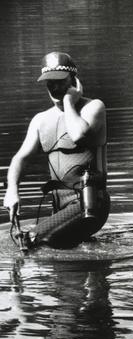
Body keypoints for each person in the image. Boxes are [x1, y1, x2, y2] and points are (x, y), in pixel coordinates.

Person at [3, 51, 110, 250]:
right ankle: (89, 270)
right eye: (49, 81)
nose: (53, 86)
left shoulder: (94, 108)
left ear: (74, 80)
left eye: (60, 81)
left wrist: (69, 102)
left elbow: (79, 135)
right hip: (60, 205)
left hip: (91, 202)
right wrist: (12, 190)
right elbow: (20, 158)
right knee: (60, 271)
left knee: (33, 240)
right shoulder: (40, 120)